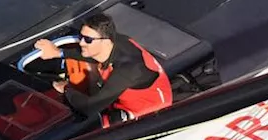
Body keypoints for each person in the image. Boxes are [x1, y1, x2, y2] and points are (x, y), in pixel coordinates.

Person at [27, 13, 172, 126]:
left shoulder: (127, 70)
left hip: (148, 111)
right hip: (123, 91)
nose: (82, 43)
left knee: (97, 124)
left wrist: (66, 88)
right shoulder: (114, 41)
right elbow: (95, 54)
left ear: (106, 41)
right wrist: (58, 52)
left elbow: (90, 107)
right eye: (81, 37)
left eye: (88, 40)